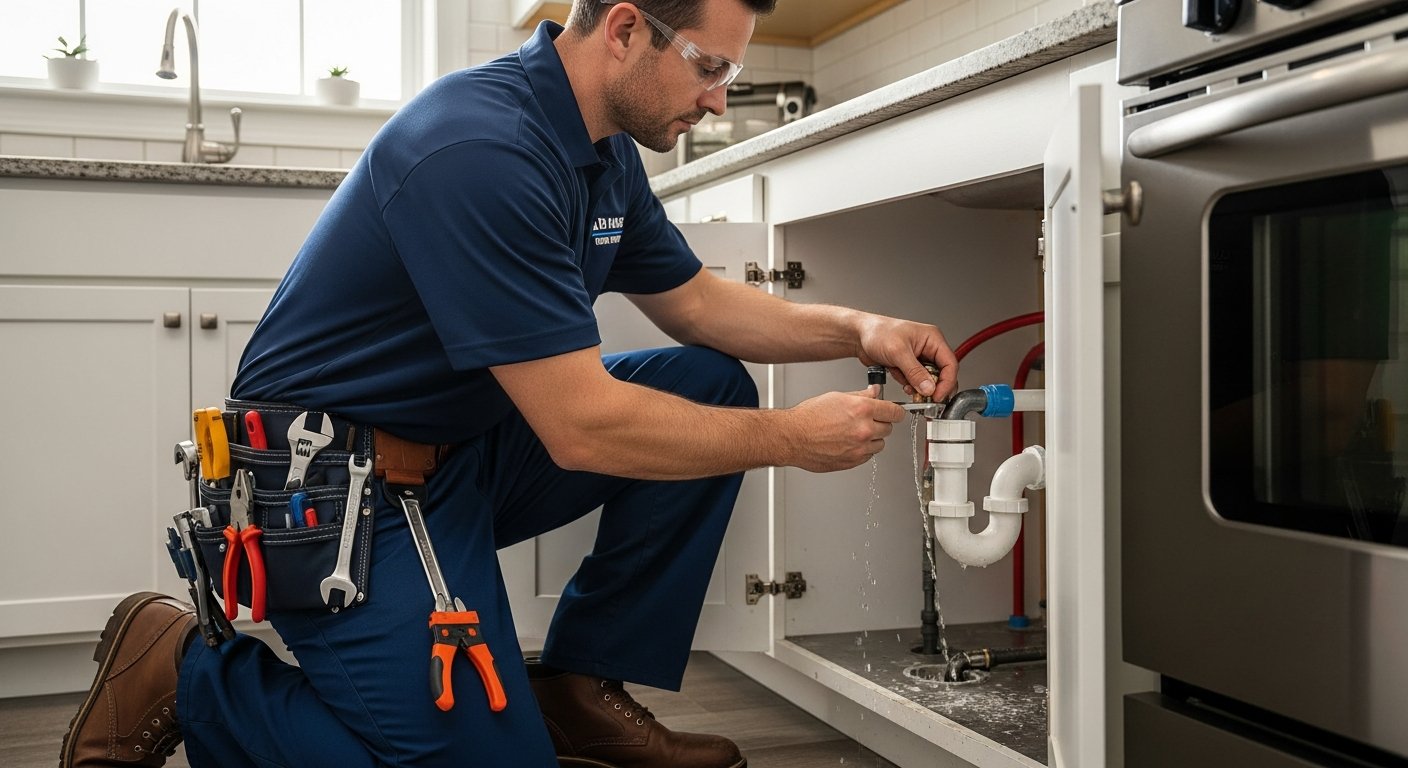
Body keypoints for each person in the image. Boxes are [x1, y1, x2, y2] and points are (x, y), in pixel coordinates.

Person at [60, 0, 958, 765]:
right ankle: (181, 666)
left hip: (461, 454)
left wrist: (861, 328)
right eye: (710, 66)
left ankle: (577, 685)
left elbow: (695, 305)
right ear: (622, 30)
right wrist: (795, 440)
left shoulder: (603, 150)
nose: (720, 100)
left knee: (708, 383)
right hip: (334, 494)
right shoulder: (478, 148)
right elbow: (582, 429)